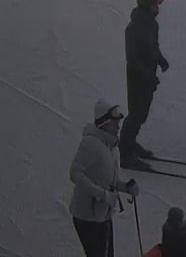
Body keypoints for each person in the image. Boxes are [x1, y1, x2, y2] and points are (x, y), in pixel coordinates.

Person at [70, 99, 137, 257]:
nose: (118, 126)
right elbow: (75, 174)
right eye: (115, 123)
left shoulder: (110, 147)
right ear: (104, 123)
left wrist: (125, 187)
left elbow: (108, 181)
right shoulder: (91, 144)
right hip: (87, 217)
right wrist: (103, 195)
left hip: (103, 214)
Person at [121, 0, 169, 167]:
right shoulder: (134, 28)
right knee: (135, 114)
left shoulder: (151, 24)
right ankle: (125, 153)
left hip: (149, 73)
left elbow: (153, 47)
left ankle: (131, 143)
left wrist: (161, 60)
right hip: (137, 75)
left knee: (142, 115)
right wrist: (147, 74)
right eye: (155, 4)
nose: (157, 7)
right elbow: (132, 58)